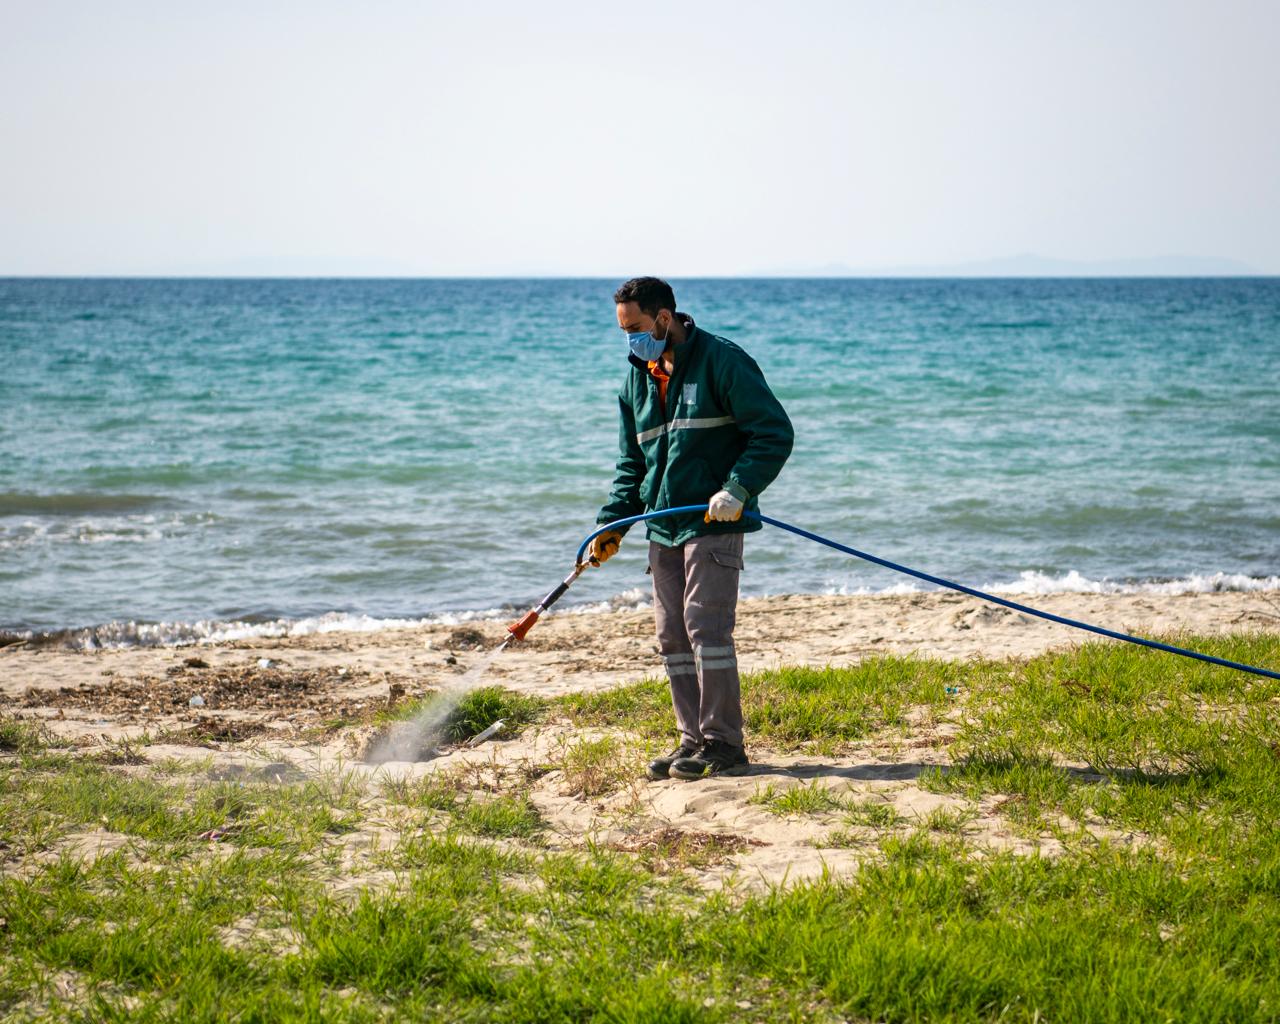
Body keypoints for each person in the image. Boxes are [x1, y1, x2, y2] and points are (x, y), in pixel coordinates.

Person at [588, 277, 793, 781]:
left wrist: (739, 488)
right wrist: (612, 525)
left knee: (707, 629)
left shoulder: (722, 360)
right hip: (662, 526)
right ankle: (692, 740)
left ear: (664, 318)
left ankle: (723, 743)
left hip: (712, 521)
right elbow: (631, 464)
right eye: (623, 331)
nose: (630, 340)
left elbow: (772, 432)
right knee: (671, 636)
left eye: (636, 328)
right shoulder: (635, 381)